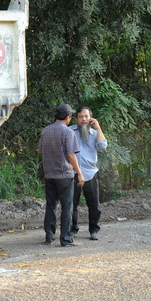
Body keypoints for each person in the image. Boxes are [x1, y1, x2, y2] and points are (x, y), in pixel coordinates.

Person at [38, 104, 85, 247]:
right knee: (67, 206)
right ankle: (65, 239)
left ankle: (49, 236)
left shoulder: (45, 131)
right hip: (64, 175)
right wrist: (80, 173)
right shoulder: (68, 133)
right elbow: (71, 155)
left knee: (51, 205)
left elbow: (40, 151)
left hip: (49, 174)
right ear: (68, 117)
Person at [70, 106, 107, 240]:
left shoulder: (95, 133)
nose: (84, 119)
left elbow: (103, 147)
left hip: (90, 173)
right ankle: (72, 230)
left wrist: (98, 128)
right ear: (77, 119)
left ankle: (94, 230)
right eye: (81, 117)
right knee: (71, 204)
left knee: (94, 204)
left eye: (86, 116)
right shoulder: (70, 132)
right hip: (73, 173)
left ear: (91, 118)